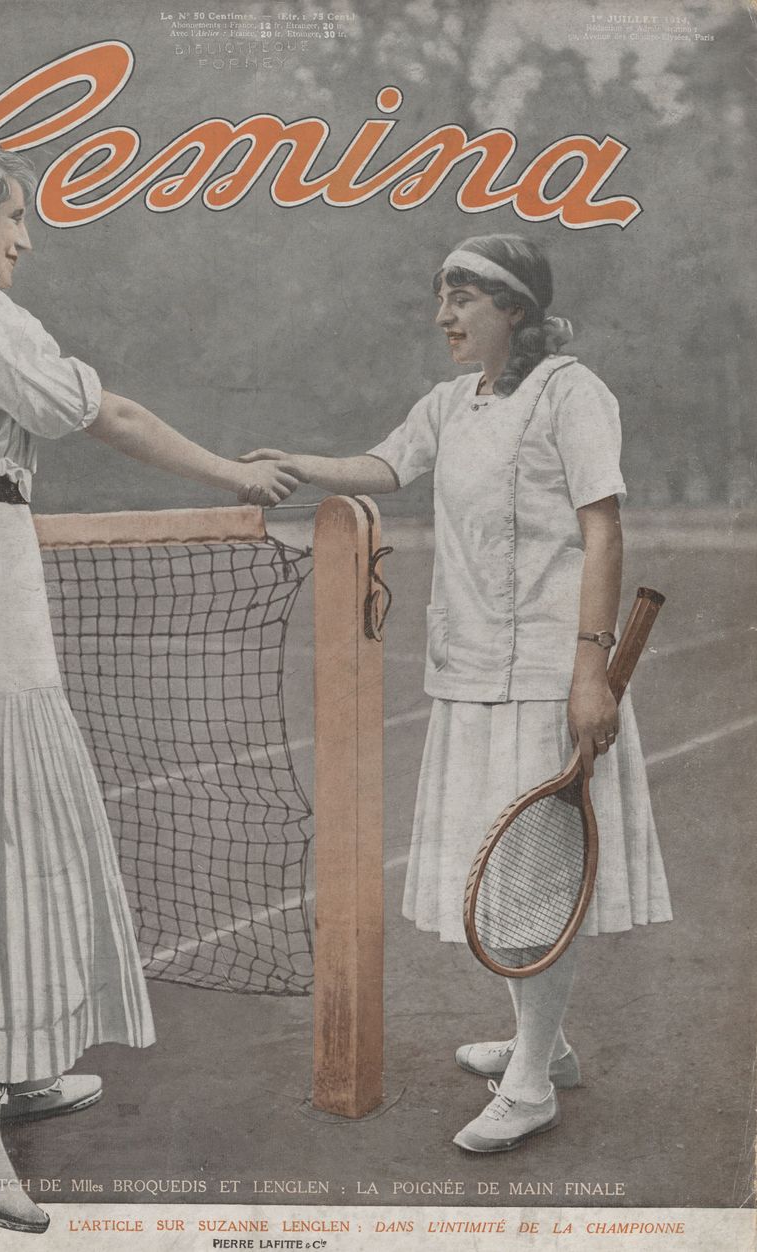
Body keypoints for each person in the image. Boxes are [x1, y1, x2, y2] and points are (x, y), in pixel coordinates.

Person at [0, 132, 302, 1233]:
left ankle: (13, 1064)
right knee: (12, 845)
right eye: (12, 221)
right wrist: (236, 471)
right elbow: (109, 416)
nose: (26, 241)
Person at [242, 234, 671, 1153]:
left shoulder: (574, 393)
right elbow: (387, 467)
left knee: (534, 882)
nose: (445, 315)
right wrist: (302, 463)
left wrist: (590, 669)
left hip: (553, 678)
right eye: (441, 296)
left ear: (514, 309)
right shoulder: (450, 402)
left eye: (464, 297)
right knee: (503, 865)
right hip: (470, 670)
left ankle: (532, 1080)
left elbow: (603, 531)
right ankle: (542, 1046)